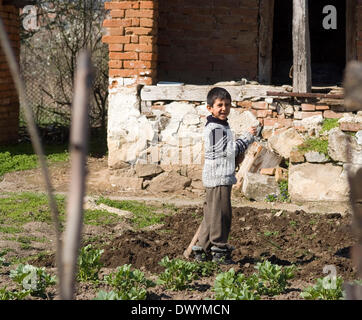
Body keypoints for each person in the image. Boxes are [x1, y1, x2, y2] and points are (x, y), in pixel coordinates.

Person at [192, 87, 257, 264]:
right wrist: (247, 138)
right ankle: (219, 250)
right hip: (219, 178)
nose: (224, 108)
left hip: (217, 176)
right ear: (209, 108)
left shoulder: (220, 126)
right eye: (219, 105)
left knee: (211, 215)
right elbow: (229, 151)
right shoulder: (215, 128)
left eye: (227, 105)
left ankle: (201, 249)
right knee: (221, 214)